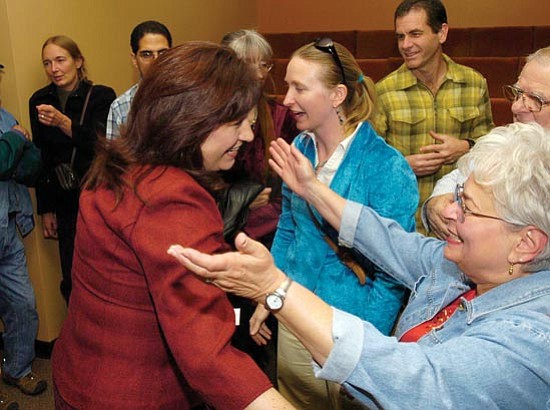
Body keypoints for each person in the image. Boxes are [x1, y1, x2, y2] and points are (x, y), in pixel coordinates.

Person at [169, 121, 550, 409]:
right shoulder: (469, 269)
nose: (448, 212)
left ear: (526, 243)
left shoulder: (528, 338)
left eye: (467, 207)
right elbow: (390, 241)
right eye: (457, 197)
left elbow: (417, 381)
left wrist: (275, 289)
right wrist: (313, 190)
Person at [51, 42, 293, 410]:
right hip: (136, 393)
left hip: (79, 375)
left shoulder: (121, 164)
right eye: (236, 122)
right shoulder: (173, 198)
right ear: (193, 119)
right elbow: (208, 356)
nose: (247, 136)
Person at [249, 38, 417, 409]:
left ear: (338, 95)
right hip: (296, 319)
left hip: (353, 330)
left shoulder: (386, 167)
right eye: (288, 85)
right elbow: (289, 230)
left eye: (300, 88)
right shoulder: (300, 151)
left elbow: (393, 274)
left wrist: (365, 346)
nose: (287, 99)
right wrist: (271, 295)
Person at [372, 0, 494, 234]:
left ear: (442, 33)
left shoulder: (473, 83)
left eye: (415, 34)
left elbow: (492, 149)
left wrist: (466, 147)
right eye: (400, 37)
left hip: (461, 224)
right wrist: (402, 166)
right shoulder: (384, 92)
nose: (406, 45)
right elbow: (368, 165)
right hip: (406, 226)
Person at [220, 29, 298, 385]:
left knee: (269, 324)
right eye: (246, 64)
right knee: (231, 322)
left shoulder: (281, 115)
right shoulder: (215, 114)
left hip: (273, 233)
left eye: (263, 64)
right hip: (228, 232)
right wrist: (246, 196)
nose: (256, 72)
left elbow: (296, 177)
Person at [424, 45, 550, 238]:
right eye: (518, 93)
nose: (516, 107)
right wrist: (436, 202)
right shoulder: (510, 140)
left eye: (535, 100)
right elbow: (460, 175)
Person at [29, 35, 116, 302]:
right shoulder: (40, 100)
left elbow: (103, 144)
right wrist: (46, 209)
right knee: (72, 276)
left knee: (104, 273)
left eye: (60, 60)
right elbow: (41, 156)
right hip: (64, 201)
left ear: (78, 61)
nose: (54, 68)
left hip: (99, 196)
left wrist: (64, 123)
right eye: (47, 63)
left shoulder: (102, 96)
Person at [1, 82, 46, 407]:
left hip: (7, 228)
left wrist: (16, 146)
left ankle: (17, 368)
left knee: (23, 304)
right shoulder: (10, 126)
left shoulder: (4, 116)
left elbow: (30, 165)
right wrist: (15, 140)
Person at [106, 20, 172, 140]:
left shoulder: (190, 97)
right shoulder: (121, 107)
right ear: (134, 59)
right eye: (146, 54)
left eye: (163, 53)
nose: (156, 61)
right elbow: (114, 157)